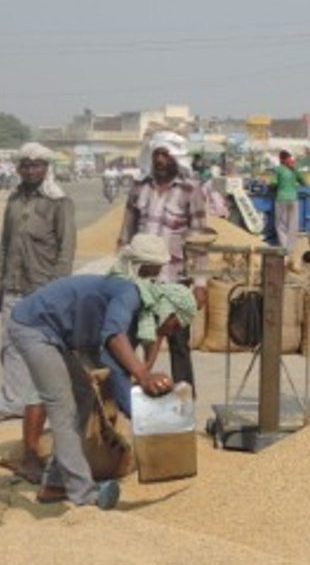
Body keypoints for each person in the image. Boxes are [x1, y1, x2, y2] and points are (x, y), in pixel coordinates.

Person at [7, 272, 195, 509]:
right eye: (175, 324)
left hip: (55, 335)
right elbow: (113, 335)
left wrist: (140, 417)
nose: (171, 331)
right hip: (34, 327)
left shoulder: (140, 312)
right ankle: (83, 494)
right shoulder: (130, 295)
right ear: (168, 310)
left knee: (84, 395)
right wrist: (143, 374)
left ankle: (55, 484)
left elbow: (112, 365)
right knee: (62, 406)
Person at [0, 142, 77, 483]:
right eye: (25, 165)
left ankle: (36, 412)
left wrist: (57, 291)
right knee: (10, 347)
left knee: (41, 352)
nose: (30, 171)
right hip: (14, 286)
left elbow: (66, 249)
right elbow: (5, 244)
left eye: (36, 166)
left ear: (46, 168)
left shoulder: (60, 203)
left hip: (43, 289)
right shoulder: (14, 201)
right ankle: (14, 405)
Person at [118, 131, 208, 392]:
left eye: (165, 155)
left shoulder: (191, 191)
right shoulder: (139, 187)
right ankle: (129, 398)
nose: (160, 160)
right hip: (140, 279)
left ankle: (185, 402)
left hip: (175, 278)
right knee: (133, 339)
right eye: (157, 154)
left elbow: (200, 240)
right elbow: (126, 234)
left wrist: (200, 283)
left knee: (179, 344)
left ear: (175, 159)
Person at [269, 150, 306, 254]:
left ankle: (284, 250)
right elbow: (304, 182)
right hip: (294, 199)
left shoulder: (278, 169)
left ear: (281, 159)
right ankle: (291, 250)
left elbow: (273, 183)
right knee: (293, 225)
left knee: (281, 225)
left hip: (281, 199)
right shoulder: (294, 170)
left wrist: (271, 187)